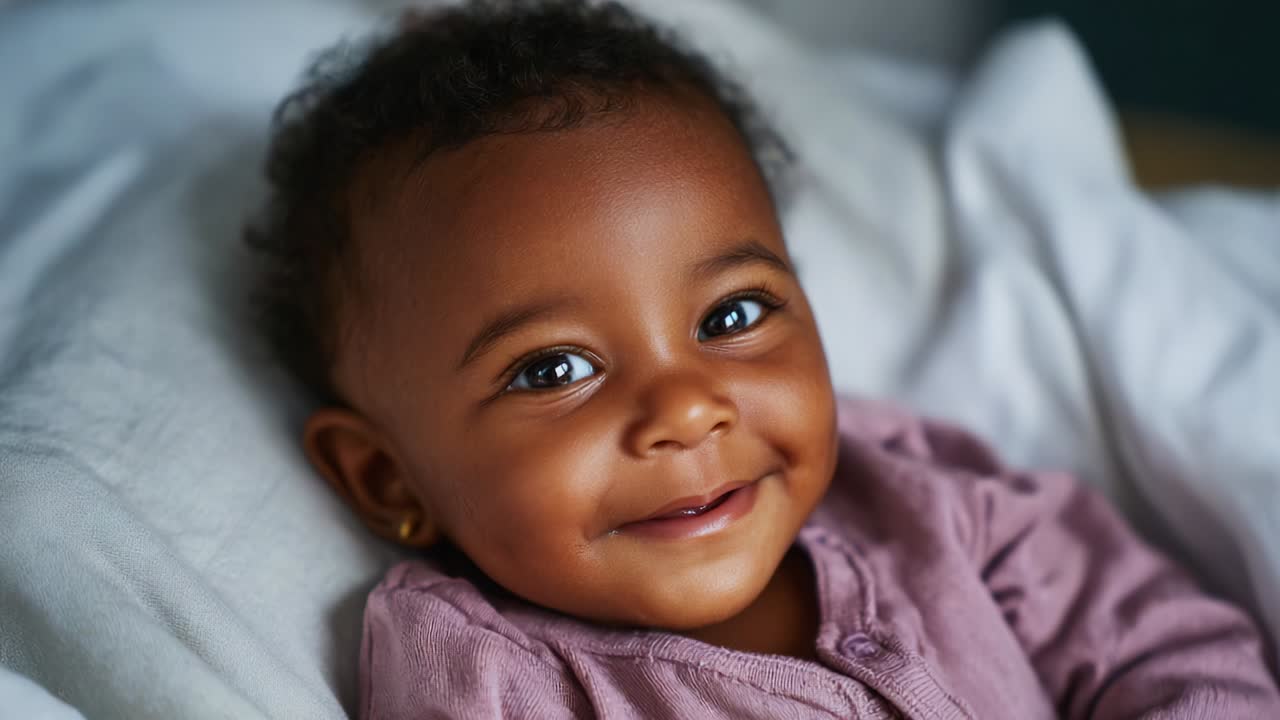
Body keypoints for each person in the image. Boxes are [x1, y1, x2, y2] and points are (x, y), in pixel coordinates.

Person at [244, 1, 1280, 717]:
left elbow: (1160, 645)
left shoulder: (923, 498)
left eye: (733, 313)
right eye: (554, 370)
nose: (685, 408)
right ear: (387, 477)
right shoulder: (484, 675)